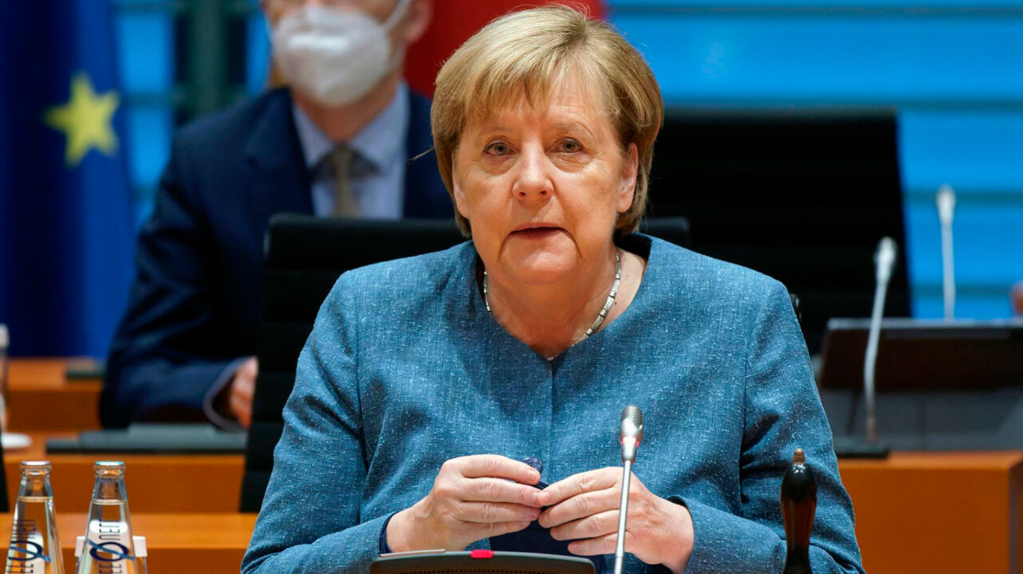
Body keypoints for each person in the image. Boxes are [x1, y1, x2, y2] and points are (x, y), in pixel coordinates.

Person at [242, 6, 864, 574]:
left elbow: (833, 567)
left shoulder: (743, 318)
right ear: (457, 184)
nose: (531, 181)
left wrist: (683, 535)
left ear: (627, 174)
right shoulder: (365, 316)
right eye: (498, 149)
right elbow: (270, 568)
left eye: (569, 146)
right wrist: (406, 533)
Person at [102, 0, 451, 429]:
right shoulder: (208, 163)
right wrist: (229, 388)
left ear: (414, 14)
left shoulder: (475, 157)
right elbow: (135, 376)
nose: (316, 9)